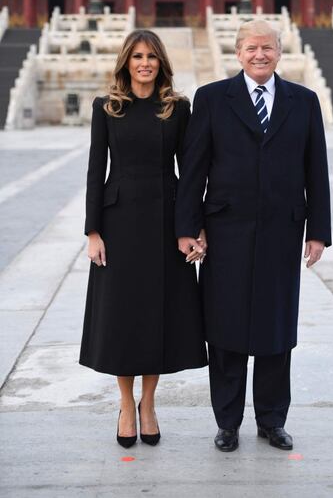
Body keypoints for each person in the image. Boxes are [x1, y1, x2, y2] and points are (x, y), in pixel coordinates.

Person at [176, 20, 331, 452]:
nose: (259, 55)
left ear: (280, 52)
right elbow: (193, 170)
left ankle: (271, 420)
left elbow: (315, 169)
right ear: (238, 53)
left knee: (275, 328)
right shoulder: (211, 99)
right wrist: (187, 228)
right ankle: (227, 422)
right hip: (226, 232)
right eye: (251, 48)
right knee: (225, 329)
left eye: (267, 47)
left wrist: (318, 231)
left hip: (283, 230)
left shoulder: (304, 101)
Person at [80, 29, 207, 449]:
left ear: (161, 62)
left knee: (158, 314)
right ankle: (124, 403)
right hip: (118, 223)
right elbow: (96, 167)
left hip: (165, 222)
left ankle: (148, 405)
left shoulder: (177, 108)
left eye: (151, 56)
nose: (144, 63)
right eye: (137, 56)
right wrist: (93, 231)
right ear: (126, 62)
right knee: (123, 316)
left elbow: (190, 171)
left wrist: (192, 225)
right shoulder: (108, 107)